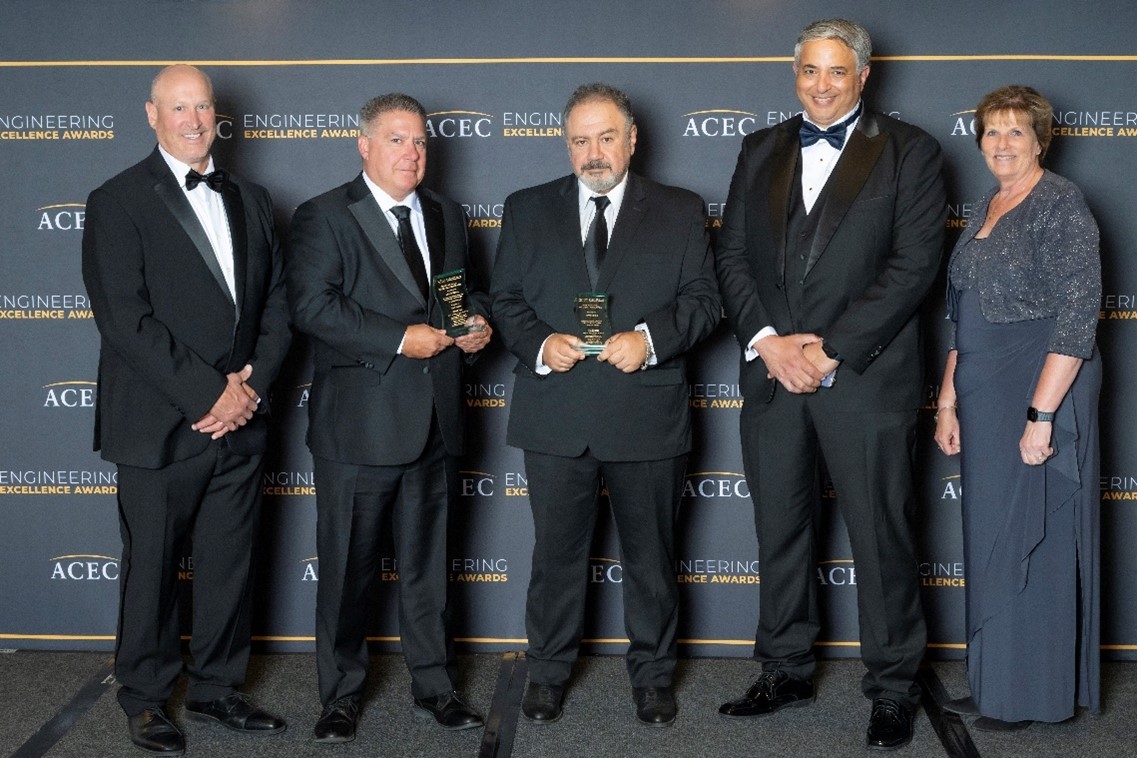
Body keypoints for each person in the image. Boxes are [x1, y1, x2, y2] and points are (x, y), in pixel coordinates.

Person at [714, 19, 946, 750]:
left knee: (881, 538)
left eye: (835, 72)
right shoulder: (759, 149)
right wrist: (768, 344)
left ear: (863, 75)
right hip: (774, 374)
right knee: (780, 531)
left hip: (865, 380)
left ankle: (893, 687)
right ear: (795, 73)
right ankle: (783, 668)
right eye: (809, 70)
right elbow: (730, 258)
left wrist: (832, 351)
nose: (820, 84)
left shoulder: (910, 151)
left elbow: (912, 266)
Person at [491, 83, 720, 727]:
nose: (594, 152)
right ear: (566, 145)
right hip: (556, 410)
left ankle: (652, 677)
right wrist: (540, 343)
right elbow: (504, 299)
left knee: (651, 559)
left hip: (645, 412)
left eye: (606, 137)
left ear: (632, 138)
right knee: (554, 559)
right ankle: (548, 673)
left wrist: (649, 342)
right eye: (580, 140)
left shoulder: (679, 210)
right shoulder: (527, 208)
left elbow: (704, 300)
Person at [81, 64, 292, 755]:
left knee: (230, 563)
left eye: (202, 106)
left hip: (241, 418)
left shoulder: (255, 199)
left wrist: (248, 387)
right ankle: (143, 698)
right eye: (179, 107)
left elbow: (278, 305)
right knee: (152, 569)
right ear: (151, 114)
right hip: (158, 424)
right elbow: (124, 319)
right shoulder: (116, 200)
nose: (194, 120)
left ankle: (216, 688)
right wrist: (210, 394)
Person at [287, 92, 492, 743]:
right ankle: (340, 698)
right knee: (347, 572)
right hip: (358, 429)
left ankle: (435, 687)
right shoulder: (324, 215)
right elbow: (312, 307)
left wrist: (475, 324)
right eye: (399, 140)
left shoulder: (446, 213)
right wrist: (401, 338)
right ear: (365, 145)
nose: (413, 153)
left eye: (421, 142)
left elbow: (458, 294)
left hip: (434, 421)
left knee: (430, 572)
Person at [933, 85, 1101, 732]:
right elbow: (962, 314)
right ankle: (994, 680)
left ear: (1038, 139)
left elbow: (1076, 317)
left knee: (1036, 539)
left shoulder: (1060, 203)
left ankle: (1032, 692)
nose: (1001, 144)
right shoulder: (986, 204)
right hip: (981, 390)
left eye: (1014, 132)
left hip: (1036, 386)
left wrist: (1040, 416)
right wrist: (946, 401)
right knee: (992, 541)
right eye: (991, 132)